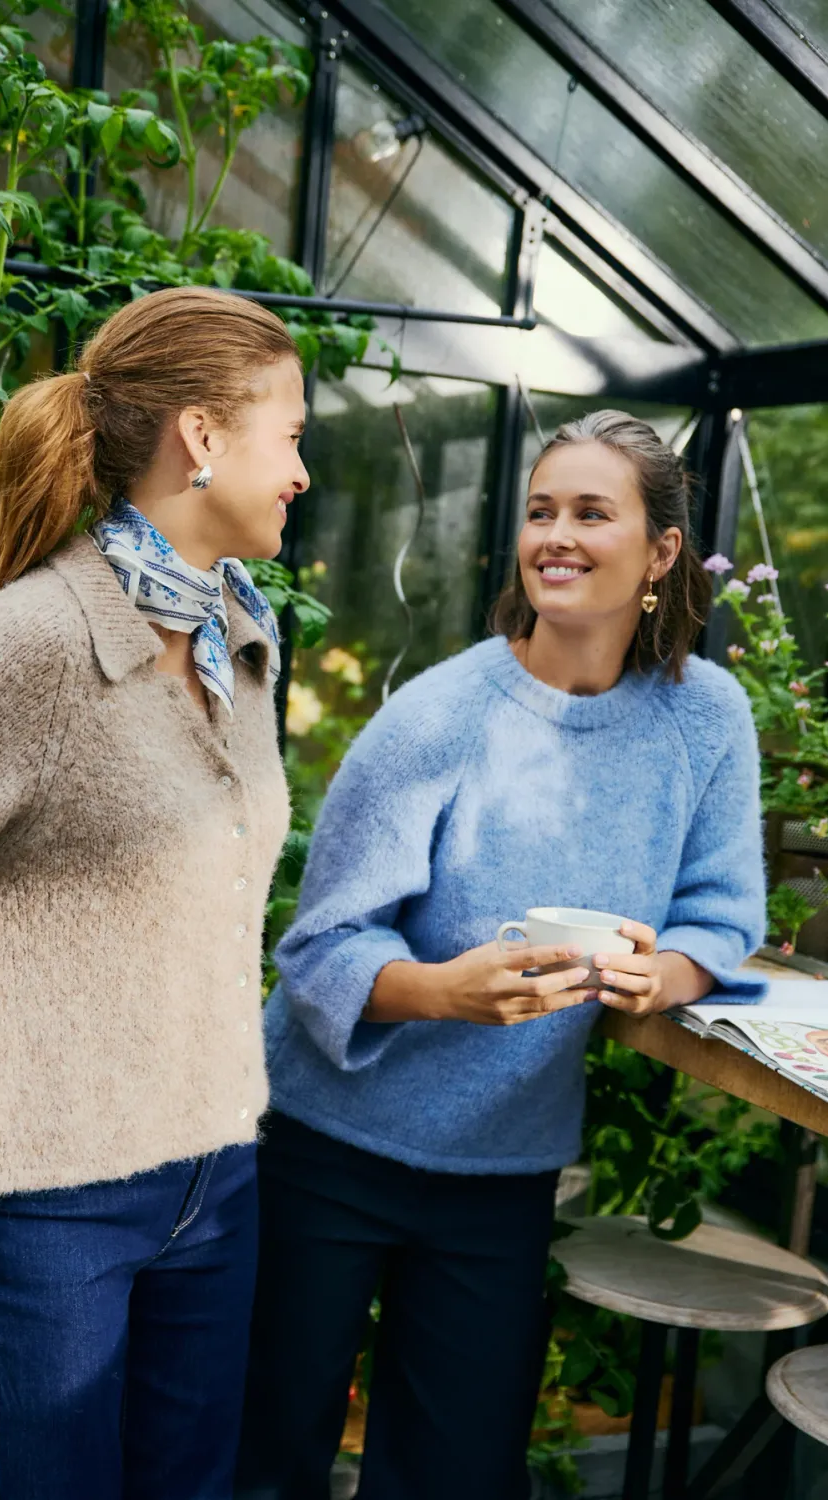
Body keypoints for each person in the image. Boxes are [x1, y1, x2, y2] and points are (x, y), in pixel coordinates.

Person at [0, 286, 309, 1500]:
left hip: (217, 1172)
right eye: (289, 434)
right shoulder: (40, 642)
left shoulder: (237, 639)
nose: (301, 470)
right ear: (202, 438)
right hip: (53, 1205)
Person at [236, 410, 767, 1500]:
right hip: (327, 1144)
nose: (553, 536)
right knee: (263, 1455)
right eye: (538, 512)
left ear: (661, 551)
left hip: (503, 1169)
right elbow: (322, 944)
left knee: (456, 1476)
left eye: (588, 513)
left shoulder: (704, 718)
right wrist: (441, 992)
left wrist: (659, 975)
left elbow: (720, 912)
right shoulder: (437, 717)